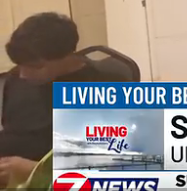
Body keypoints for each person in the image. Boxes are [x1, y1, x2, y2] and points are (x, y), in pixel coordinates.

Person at [0, 12, 120, 180]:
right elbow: (13, 129)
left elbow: (108, 167)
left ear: (66, 56)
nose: (23, 75)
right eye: (20, 66)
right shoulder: (17, 78)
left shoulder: (103, 89)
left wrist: (37, 171)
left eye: (35, 66)